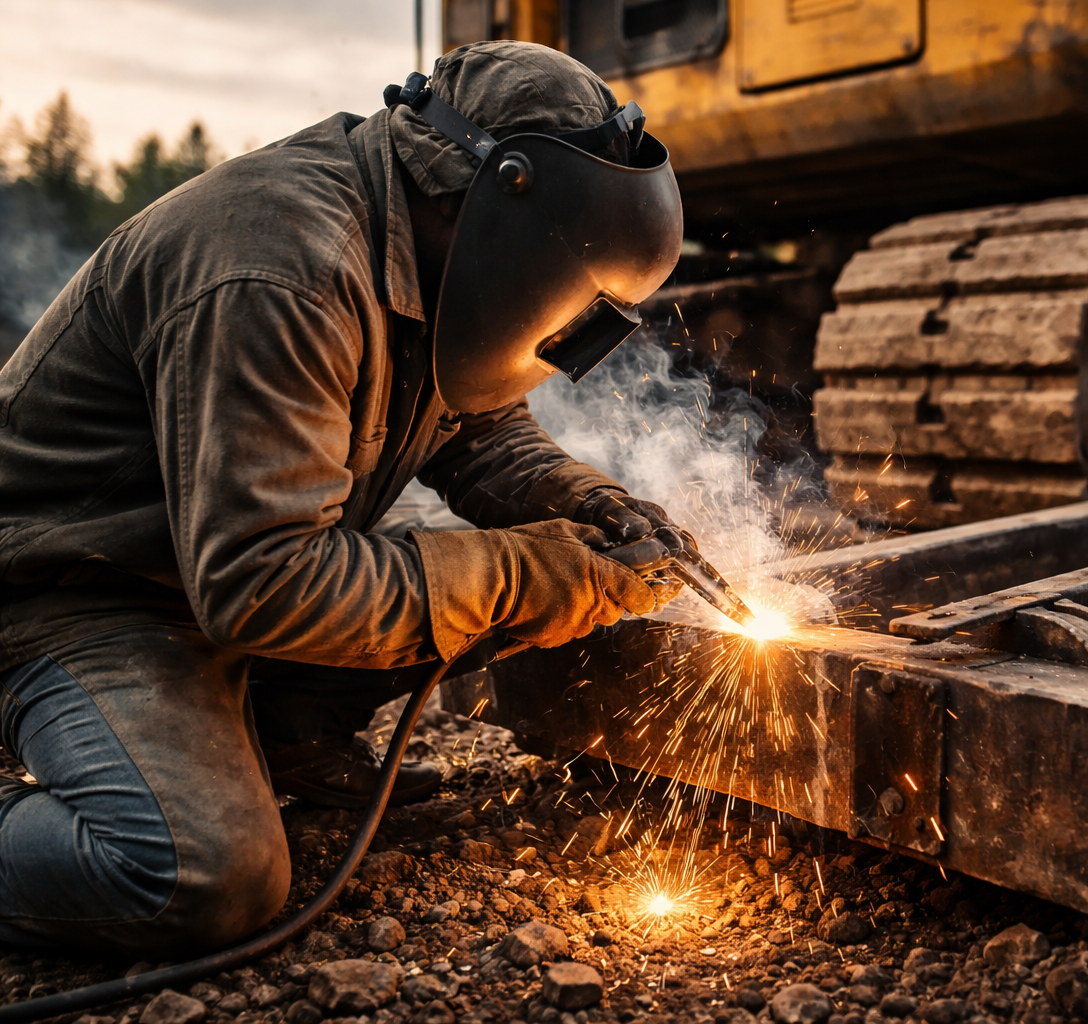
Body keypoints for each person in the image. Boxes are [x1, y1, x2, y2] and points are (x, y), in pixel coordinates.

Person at [0, 41, 685, 955]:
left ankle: (280, 728)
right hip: (77, 595)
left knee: (538, 570)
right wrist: (532, 570)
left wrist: (585, 502)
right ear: (481, 200)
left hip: (201, 576)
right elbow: (262, 583)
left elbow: (476, 424)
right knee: (199, 872)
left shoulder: (426, 248)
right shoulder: (279, 266)